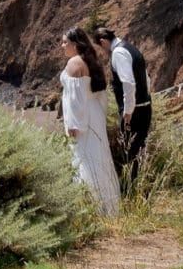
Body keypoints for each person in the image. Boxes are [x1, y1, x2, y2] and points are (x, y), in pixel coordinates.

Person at [59, 26, 121, 215]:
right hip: (94, 114)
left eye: (65, 42)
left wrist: (73, 124)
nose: (62, 46)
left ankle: (90, 207)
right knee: (99, 157)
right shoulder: (90, 60)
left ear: (75, 44)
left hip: (83, 118)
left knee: (85, 159)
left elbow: (74, 99)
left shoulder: (74, 63)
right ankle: (108, 206)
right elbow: (100, 95)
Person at [103, 23, 152, 181]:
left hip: (134, 111)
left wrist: (128, 110)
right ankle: (140, 185)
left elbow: (128, 83)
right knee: (140, 148)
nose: (102, 52)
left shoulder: (118, 53)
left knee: (131, 150)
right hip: (145, 106)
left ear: (103, 42)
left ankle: (133, 188)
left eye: (100, 47)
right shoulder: (131, 48)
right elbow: (146, 79)